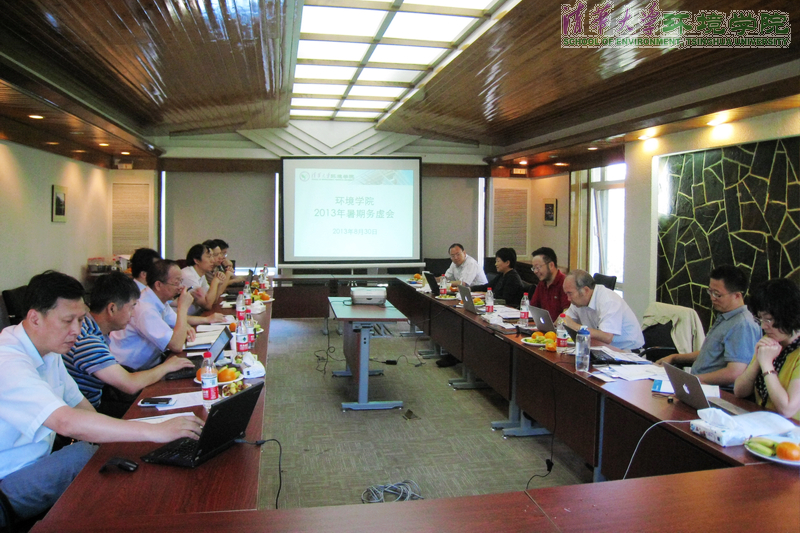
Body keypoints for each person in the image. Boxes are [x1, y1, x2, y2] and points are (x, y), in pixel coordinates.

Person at [0, 271, 202, 528]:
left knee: (119, 458)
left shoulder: (49, 351)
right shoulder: (8, 361)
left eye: (80, 319)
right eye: (68, 321)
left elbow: (81, 407)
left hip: (39, 461)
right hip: (8, 481)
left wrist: (142, 435)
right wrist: (154, 431)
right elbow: (66, 422)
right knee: (86, 456)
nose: (77, 330)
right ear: (34, 318)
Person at [63, 272, 195, 416]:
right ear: (112, 308)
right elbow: (130, 385)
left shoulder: (90, 326)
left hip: (100, 398)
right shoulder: (88, 340)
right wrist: (167, 367)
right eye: (131, 307)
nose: (132, 314)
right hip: (90, 411)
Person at [656, 265, 759, 389]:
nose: (712, 298)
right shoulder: (726, 317)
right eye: (710, 291)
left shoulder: (742, 325)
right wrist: (675, 358)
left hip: (719, 391)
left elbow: (735, 373)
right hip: (700, 384)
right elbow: (711, 353)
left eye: (717, 294)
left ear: (737, 295)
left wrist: (692, 380)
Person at [110, 260, 225, 371]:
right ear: (158, 285)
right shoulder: (145, 309)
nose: (181, 287)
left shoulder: (158, 300)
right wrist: (182, 307)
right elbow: (176, 345)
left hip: (153, 362)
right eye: (176, 283)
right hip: (132, 370)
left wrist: (188, 326)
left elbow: (179, 322)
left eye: (181, 281)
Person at [734, 278, 800, 420]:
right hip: (763, 420)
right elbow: (739, 391)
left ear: (788, 316)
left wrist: (766, 365)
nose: (763, 326)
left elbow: (787, 409)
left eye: (768, 319)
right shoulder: (770, 341)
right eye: (760, 319)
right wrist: (758, 361)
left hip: (790, 428)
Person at [561, 269, 644, 350]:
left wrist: (575, 326)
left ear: (585, 290)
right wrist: (561, 322)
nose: (568, 299)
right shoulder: (579, 301)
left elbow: (607, 337)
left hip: (628, 351)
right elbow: (564, 320)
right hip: (602, 348)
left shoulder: (608, 300)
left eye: (570, 293)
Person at [181, 243, 229, 314]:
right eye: (209, 257)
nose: (213, 260)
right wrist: (215, 282)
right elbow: (207, 305)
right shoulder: (188, 275)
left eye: (212, 256)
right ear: (197, 260)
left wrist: (219, 284)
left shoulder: (201, 274)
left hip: (196, 314)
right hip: (183, 318)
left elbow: (213, 300)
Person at [529, 247, 570, 322]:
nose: (535, 271)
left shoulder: (565, 283)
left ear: (551, 265)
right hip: (544, 326)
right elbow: (533, 308)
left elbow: (567, 312)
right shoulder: (542, 283)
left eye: (538, 267)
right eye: (533, 268)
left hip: (558, 327)